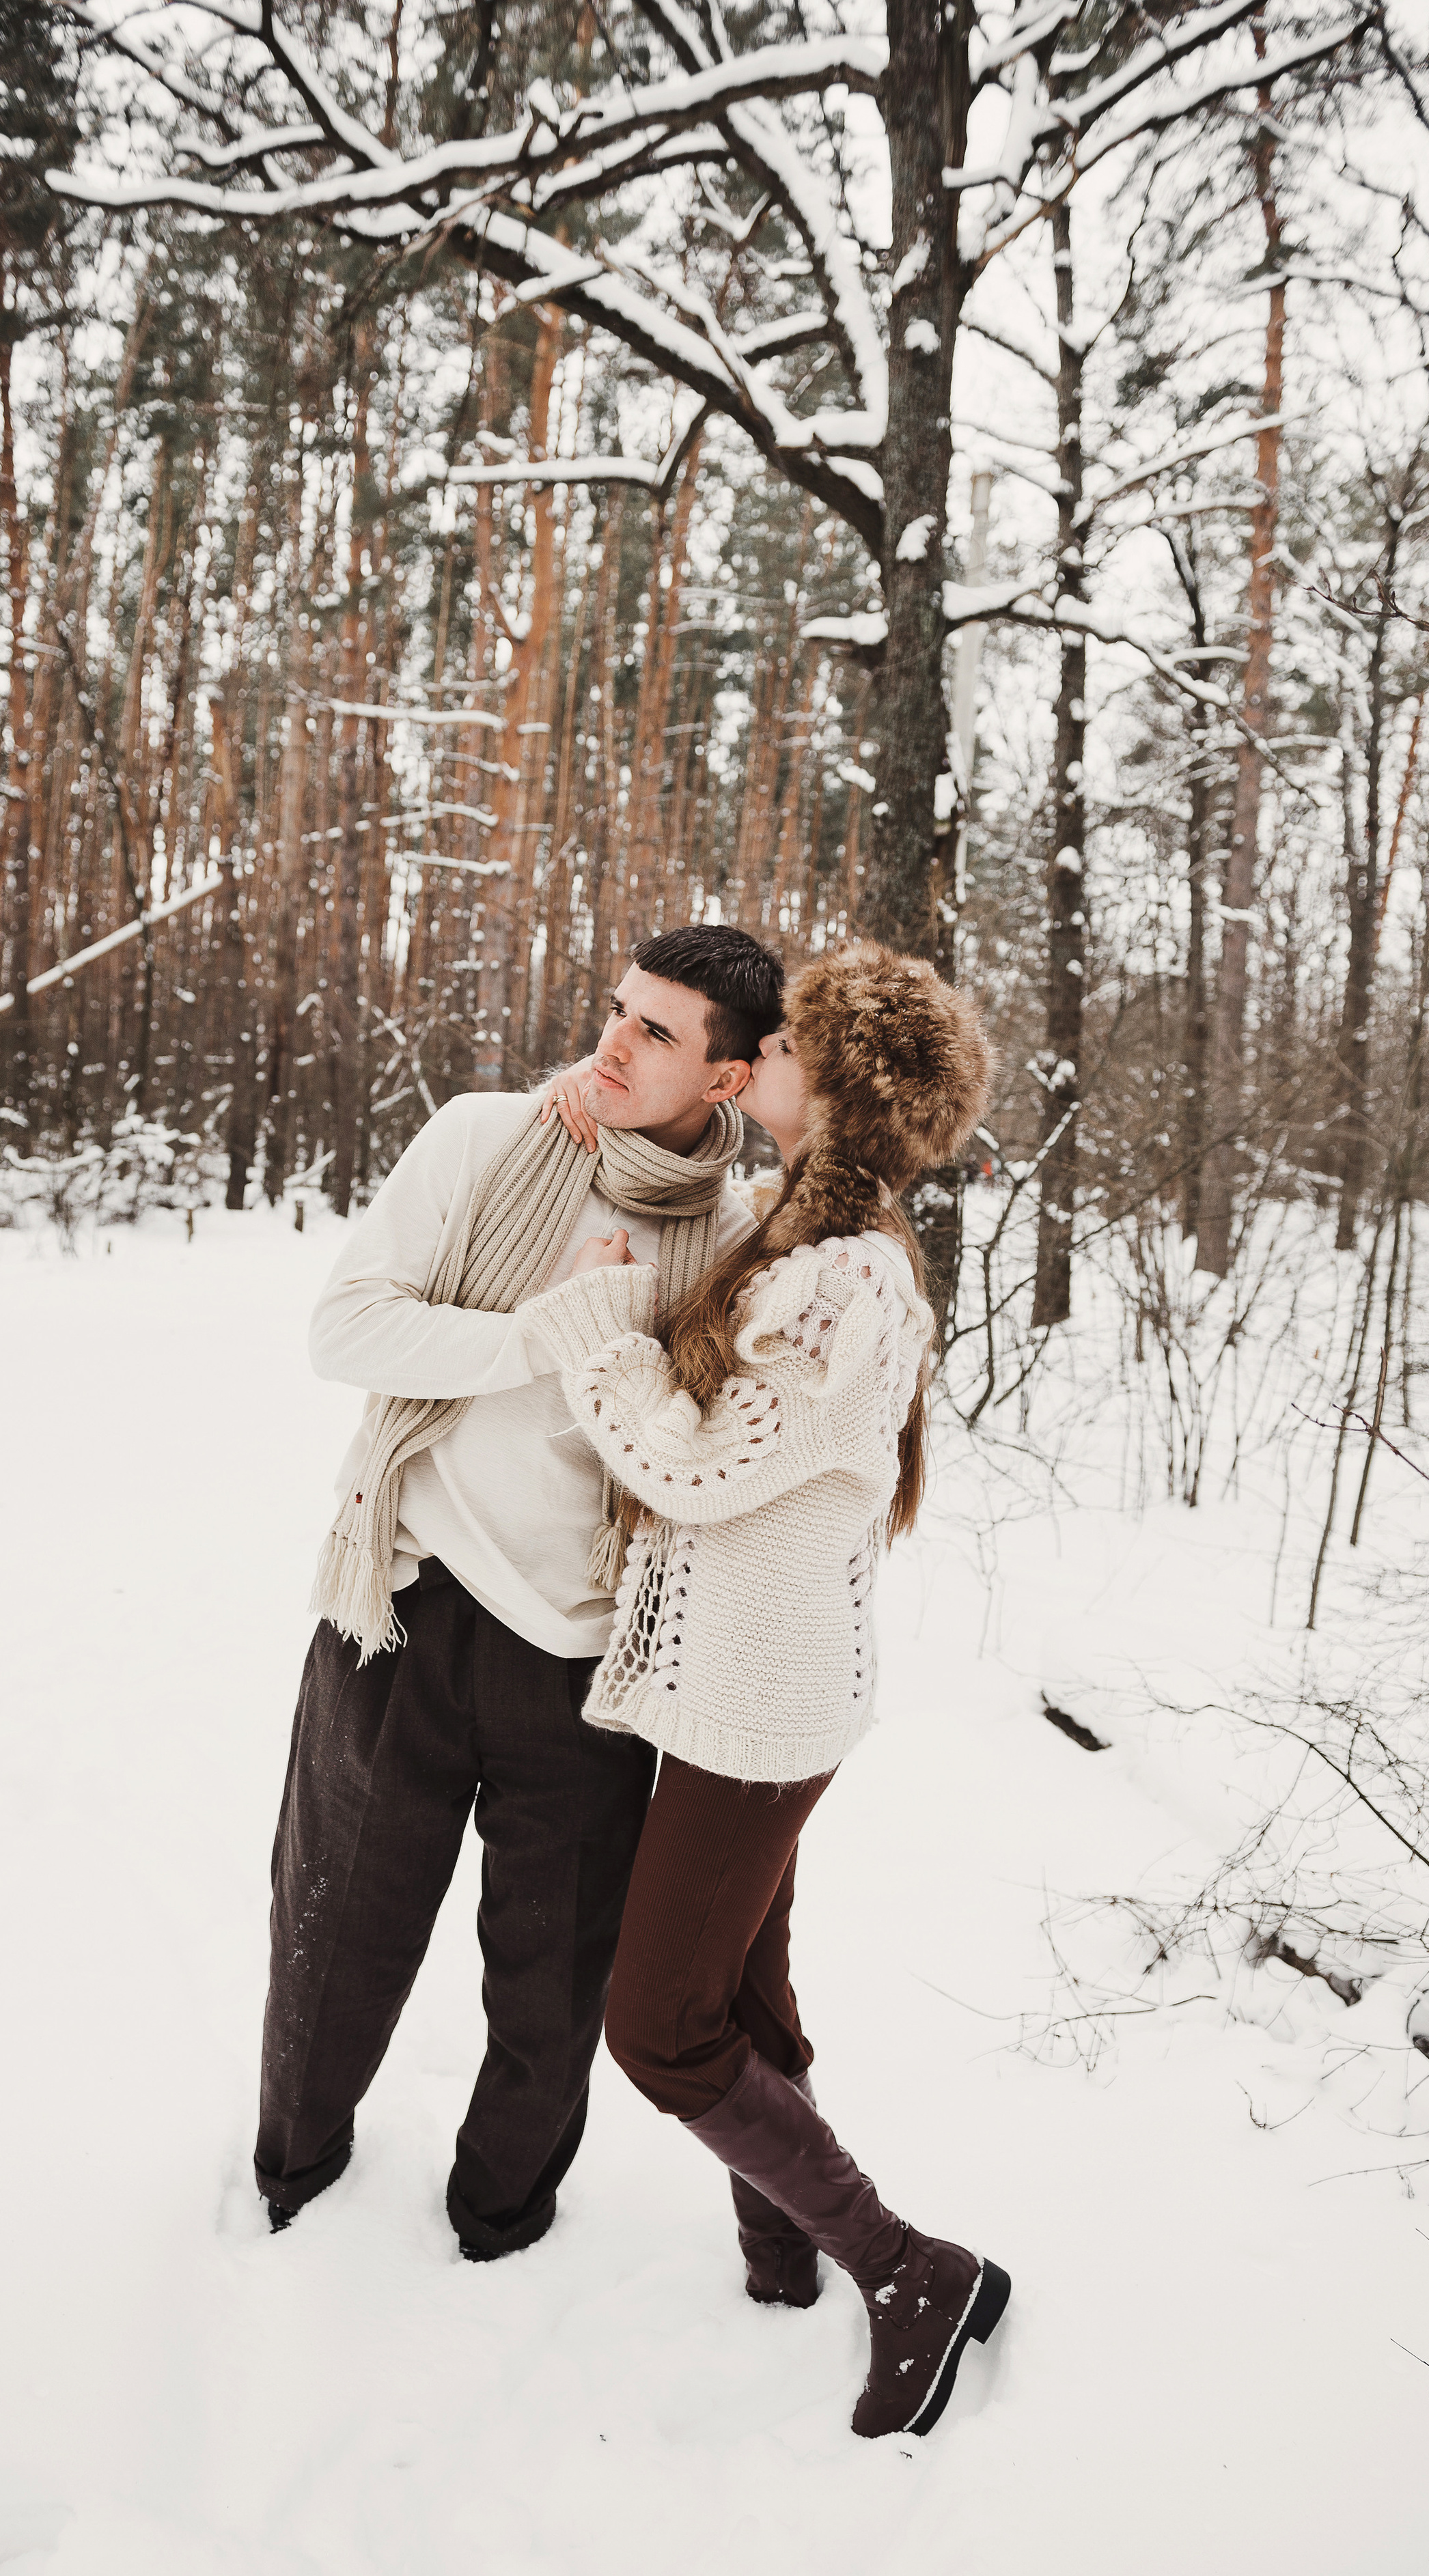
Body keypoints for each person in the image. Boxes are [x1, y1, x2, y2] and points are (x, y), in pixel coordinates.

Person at [518, 939, 1008, 2439]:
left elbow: (690, 1467)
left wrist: (599, 1336)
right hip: (733, 1688)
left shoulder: (844, 1277)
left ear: (842, 1093)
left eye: (788, 1045)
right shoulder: (795, 1227)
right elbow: (679, 1169)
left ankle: (908, 2269)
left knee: (660, 2026)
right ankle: (778, 2243)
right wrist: (588, 1101)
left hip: (761, 1709)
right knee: (737, 1988)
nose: (762, 1057)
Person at [257, 925, 783, 2256]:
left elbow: (706, 1453)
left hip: (591, 1661)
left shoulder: (733, 1242)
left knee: (551, 1989)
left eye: (657, 1034)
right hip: (408, 1603)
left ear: (725, 1083)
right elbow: (346, 1328)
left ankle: (501, 2225)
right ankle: (289, 2178)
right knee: (337, 1937)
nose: (612, 1041)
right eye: (619, 1010)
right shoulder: (488, 1141)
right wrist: (542, 1331)